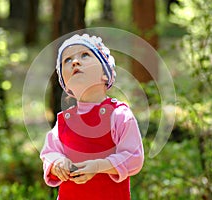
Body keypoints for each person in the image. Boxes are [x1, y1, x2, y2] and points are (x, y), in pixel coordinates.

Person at [40, 34, 144, 200]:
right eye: (67, 60)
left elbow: (134, 157)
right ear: (65, 84)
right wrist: (57, 164)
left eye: (85, 55)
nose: (75, 62)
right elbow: (48, 153)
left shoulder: (118, 115)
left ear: (105, 73)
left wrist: (98, 166)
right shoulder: (64, 123)